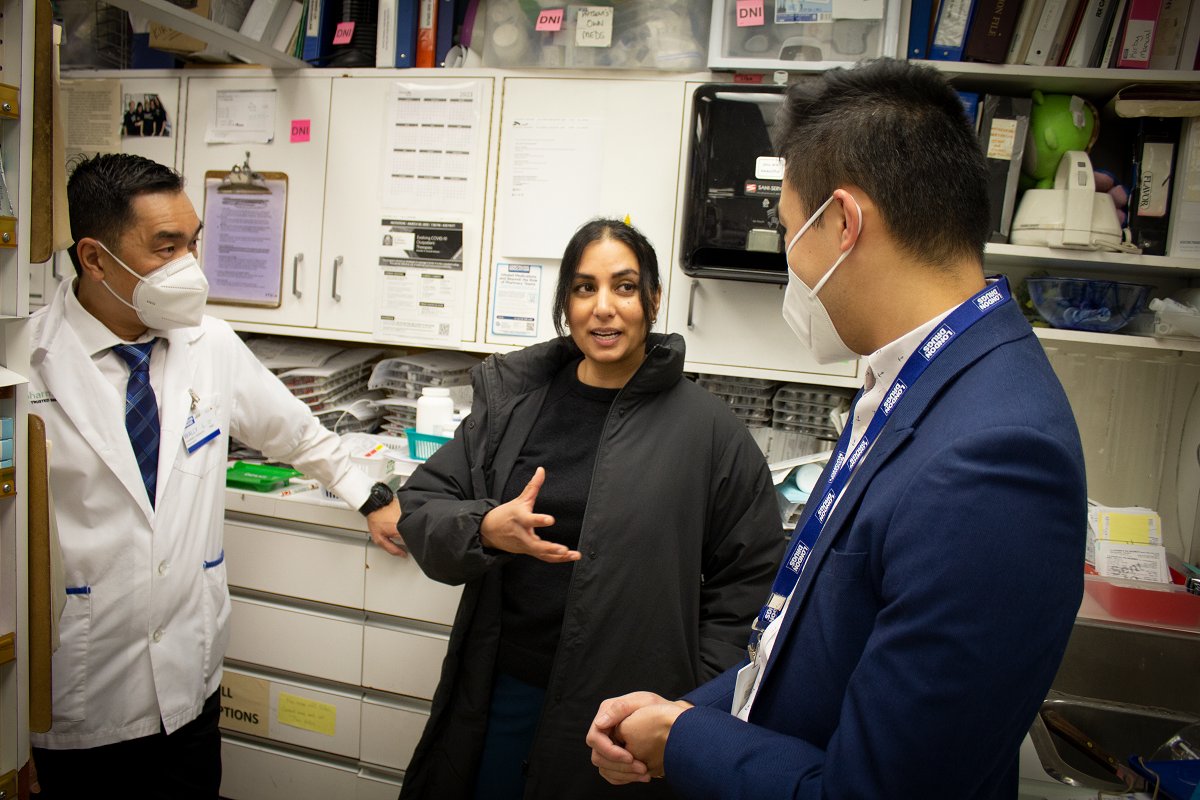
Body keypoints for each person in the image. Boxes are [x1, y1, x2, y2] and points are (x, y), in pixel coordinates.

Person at [586, 58, 1087, 799]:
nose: (791, 262)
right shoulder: (917, 377)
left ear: (844, 224)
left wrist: (685, 740)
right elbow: (812, 647)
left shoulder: (997, 460)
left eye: (790, 232)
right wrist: (681, 715)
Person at [28, 153, 403, 799]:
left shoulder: (211, 344)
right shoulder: (23, 366)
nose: (188, 267)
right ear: (94, 257)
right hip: (75, 693)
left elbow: (296, 431)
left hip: (187, 687)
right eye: (163, 247)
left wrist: (370, 496)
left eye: (192, 242)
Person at [389, 218, 784, 800]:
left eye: (624, 287)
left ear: (652, 300)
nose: (603, 308)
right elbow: (421, 504)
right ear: (565, 304)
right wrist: (486, 529)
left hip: (622, 713)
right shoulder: (513, 408)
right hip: (503, 690)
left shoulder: (710, 433)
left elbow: (749, 584)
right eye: (584, 288)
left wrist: (685, 703)